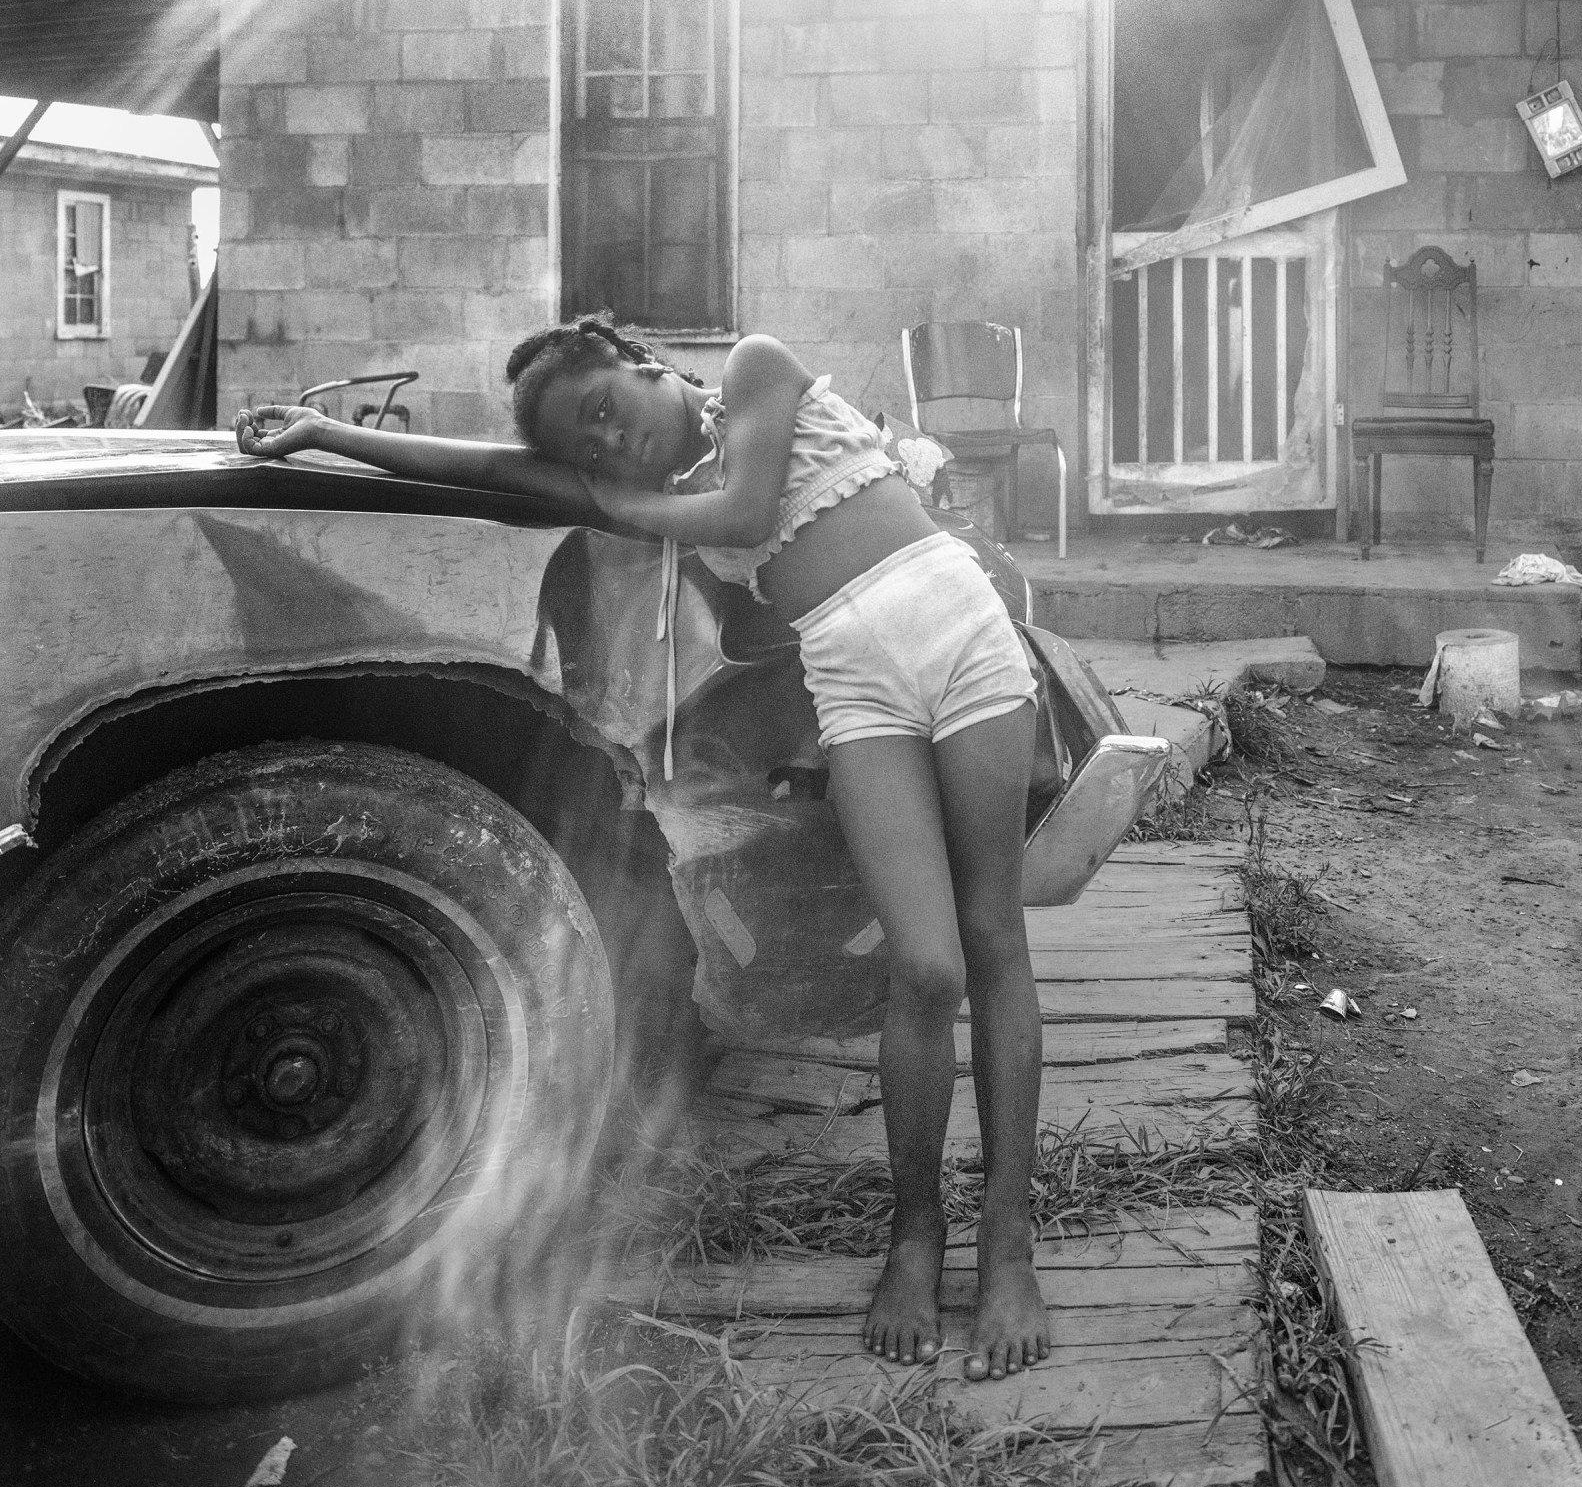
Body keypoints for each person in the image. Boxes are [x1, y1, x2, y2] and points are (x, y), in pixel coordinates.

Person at [236, 318, 1050, 1380]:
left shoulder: (759, 370)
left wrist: (608, 501)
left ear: (646, 362)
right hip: (853, 679)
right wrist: (326, 432)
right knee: (925, 964)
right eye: (589, 447)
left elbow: (749, 509)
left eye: (608, 410)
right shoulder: (649, 489)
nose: (610, 447)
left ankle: (1007, 1243)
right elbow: (492, 467)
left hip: (956, 626)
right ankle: (914, 1231)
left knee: (990, 937)